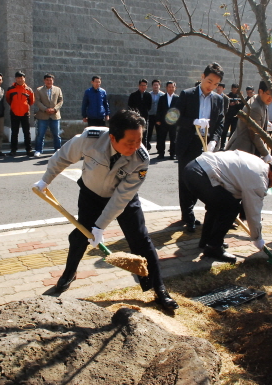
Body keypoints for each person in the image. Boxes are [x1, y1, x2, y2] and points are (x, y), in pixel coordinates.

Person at [32, 110, 179, 311]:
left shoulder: (141, 158)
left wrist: (100, 227)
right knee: (80, 236)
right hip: (91, 195)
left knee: (141, 240)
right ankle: (69, 273)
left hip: (122, 200)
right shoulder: (89, 138)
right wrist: (45, 180)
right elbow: (63, 156)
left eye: (140, 140)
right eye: (130, 142)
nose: (136, 146)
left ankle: (158, 287)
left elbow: (121, 197)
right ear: (112, 137)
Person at [184, 150, 272, 260]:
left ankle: (207, 241)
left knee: (218, 205)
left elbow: (238, 192)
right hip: (201, 174)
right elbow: (253, 212)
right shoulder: (259, 180)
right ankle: (213, 247)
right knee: (231, 208)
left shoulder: (259, 163)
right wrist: (257, 238)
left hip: (194, 167)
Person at [175, 62, 225, 233]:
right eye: (209, 81)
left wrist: (214, 141)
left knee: (201, 180)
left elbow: (220, 123)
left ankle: (191, 212)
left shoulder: (218, 99)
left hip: (206, 146)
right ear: (202, 77)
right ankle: (187, 216)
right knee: (185, 180)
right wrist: (193, 122)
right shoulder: (187, 94)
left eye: (216, 84)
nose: (212, 86)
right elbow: (172, 117)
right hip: (188, 144)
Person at [225, 80, 272, 162]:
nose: (271, 98)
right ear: (261, 91)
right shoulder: (255, 108)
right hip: (243, 150)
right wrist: (265, 153)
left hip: (247, 150)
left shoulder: (260, 100)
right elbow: (255, 135)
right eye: (269, 94)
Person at [34, 73, 63, 157]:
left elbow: (61, 101)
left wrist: (54, 109)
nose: (49, 81)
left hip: (55, 115)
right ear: (44, 81)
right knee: (40, 134)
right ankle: (38, 150)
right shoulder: (39, 90)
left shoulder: (58, 89)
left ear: (53, 81)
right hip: (43, 115)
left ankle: (57, 150)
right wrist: (45, 109)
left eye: (50, 80)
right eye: (47, 80)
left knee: (56, 134)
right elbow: (37, 101)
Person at [6, 71, 34, 157]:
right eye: (18, 78)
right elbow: (8, 100)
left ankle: (28, 149)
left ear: (24, 78)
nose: (20, 79)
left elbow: (31, 101)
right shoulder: (10, 89)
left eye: (22, 78)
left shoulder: (29, 90)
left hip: (25, 113)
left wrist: (24, 107)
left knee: (26, 132)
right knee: (14, 132)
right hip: (14, 113)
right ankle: (13, 150)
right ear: (15, 79)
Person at [155, 81, 179, 159]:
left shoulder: (177, 98)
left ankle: (173, 154)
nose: (171, 88)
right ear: (166, 88)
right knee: (162, 138)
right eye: (169, 87)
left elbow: (179, 110)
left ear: (175, 88)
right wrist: (158, 119)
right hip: (163, 121)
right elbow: (159, 109)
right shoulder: (162, 98)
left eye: (172, 87)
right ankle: (161, 153)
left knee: (173, 138)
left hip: (173, 122)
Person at [128, 79, 152, 148]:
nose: (143, 87)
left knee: (144, 135)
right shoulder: (133, 95)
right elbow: (130, 106)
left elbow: (149, 106)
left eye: (144, 85)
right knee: (135, 134)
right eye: (141, 85)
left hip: (145, 117)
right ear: (139, 86)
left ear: (146, 86)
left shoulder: (148, 95)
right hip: (135, 118)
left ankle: (144, 149)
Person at [223, 84, 244, 148]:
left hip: (235, 117)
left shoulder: (240, 97)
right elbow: (224, 104)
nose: (234, 90)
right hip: (227, 116)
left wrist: (237, 103)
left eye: (236, 89)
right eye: (233, 89)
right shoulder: (228, 96)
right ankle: (222, 144)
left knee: (233, 131)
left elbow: (242, 106)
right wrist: (229, 104)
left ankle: (230, 145)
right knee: (224, 130)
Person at [146, 79, 164, 151]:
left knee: (159, 133)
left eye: (157, 85)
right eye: (154, 85)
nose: (156, 86)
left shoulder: (163, 95)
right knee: (148, 132)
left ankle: (159, 148)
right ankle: (148, 147)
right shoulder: (148, 94)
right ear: (152, 86)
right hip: (150, 115)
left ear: (159, 86)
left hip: (158, 116)